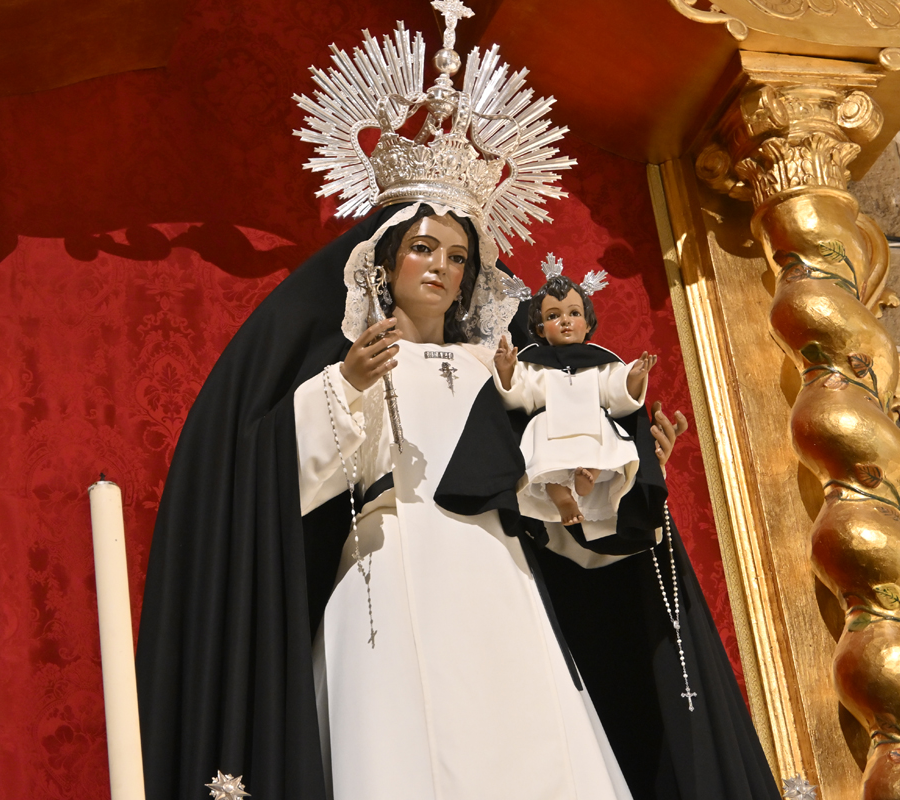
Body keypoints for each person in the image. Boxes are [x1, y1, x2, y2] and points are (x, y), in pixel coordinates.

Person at [136, 204, 779, 800]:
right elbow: (282, 479)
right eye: (422, 248)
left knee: (529, 745)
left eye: (457, 255)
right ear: (384, 263)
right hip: (390, 570)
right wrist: (346, 385)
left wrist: (625, 468)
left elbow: (552, 497)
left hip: (500, 573)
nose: (441, 266)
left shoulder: (500, 369)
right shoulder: (355, 363)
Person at [493, 273, 656, 530]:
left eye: (574, 313)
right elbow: (520, 396)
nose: (565, 321)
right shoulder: (534, 364)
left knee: (604, 441)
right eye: (553, 316)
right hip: (550, 428)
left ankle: (591, 474)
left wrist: (633, 378)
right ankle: (564, 500)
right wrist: (506, 370)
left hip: (592, 423)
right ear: (540, 329)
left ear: (588, 323)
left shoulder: (601, 362)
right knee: (547, 461)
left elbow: (615, 394)